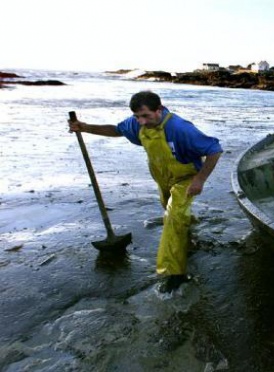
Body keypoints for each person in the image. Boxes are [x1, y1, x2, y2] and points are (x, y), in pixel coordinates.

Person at [68, 91, 222, 293]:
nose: (141, 122)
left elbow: (214, 149)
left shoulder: (180, 128)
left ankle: (174, 274)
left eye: (146, 116)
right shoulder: (137, 124)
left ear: (159, 110)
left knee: (173, 217)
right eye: (137, 117)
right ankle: (188, 235)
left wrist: (200, 180)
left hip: (186, 177)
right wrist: (86, 128)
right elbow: (117, 130)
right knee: (175, 215)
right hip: (162, 178)